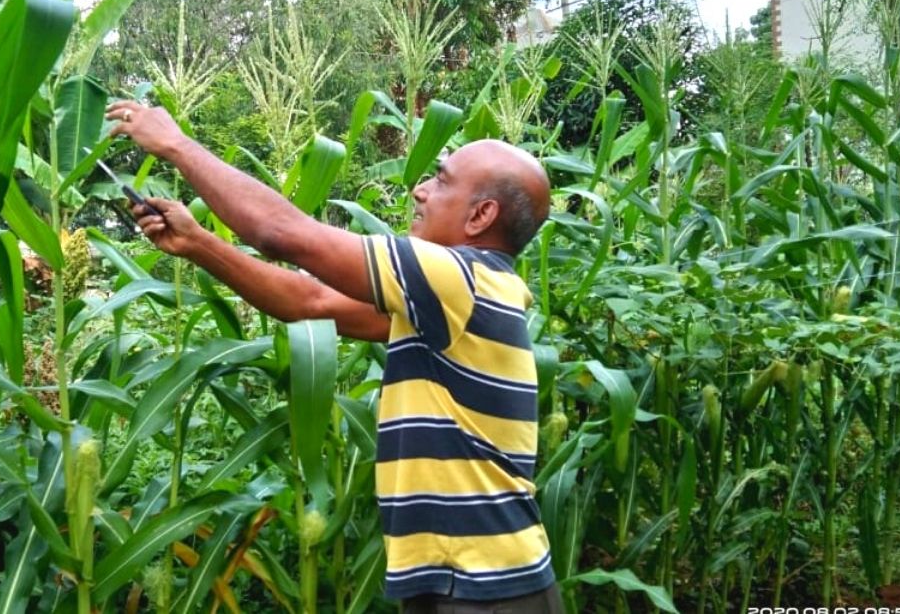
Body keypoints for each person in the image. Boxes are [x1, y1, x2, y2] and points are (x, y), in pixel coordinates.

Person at [107, 99, 563, 614]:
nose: (420, 189)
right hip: (473, 583)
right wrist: (197, 243)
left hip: (485, 590)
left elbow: (283, 236)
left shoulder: (458, 277)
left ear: (481, 215)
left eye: (440, 180)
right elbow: (311, 303)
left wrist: (175, 143)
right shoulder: (461, 298)